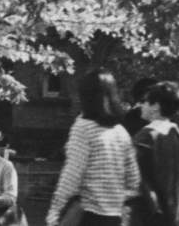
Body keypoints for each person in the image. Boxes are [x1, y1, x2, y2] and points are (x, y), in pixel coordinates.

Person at [46, 69, 140, 226]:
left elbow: (73, 173)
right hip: (114, 217)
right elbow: (134, 180)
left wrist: (55, 210)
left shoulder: (83, 127)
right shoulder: (121, 132)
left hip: (88, 215)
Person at [132, 81, 179, 226]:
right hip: (177, 215)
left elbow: (136, 179)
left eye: (144, 101)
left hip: (150, 216)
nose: (141, 105)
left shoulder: (145, 137)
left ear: (156, 106)